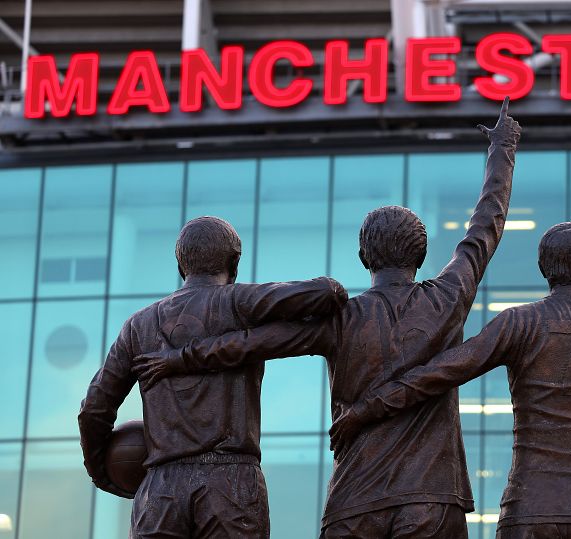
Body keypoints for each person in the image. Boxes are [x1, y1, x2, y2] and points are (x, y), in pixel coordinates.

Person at [131, 98, 521, 538]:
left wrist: (181, 358)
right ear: (422, 255)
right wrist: (502, 148)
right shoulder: (448, 298)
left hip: (354, 502)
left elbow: (250, 343)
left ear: (362, 257)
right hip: (431, 499)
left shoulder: (341, 319)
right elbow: (486, 226)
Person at [328, 221, 571, 539]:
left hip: (529, 512)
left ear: (544, 268)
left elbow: (438, 374)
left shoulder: (519, 323)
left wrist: (365, 409)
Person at [78, 215, 347, 538]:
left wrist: (103, 473)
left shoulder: (139, 325)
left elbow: (94, 409)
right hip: (231, 486)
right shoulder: (241, 302)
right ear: (234, 264)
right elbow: (329, 293)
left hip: (161, 492)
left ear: (181, 267)